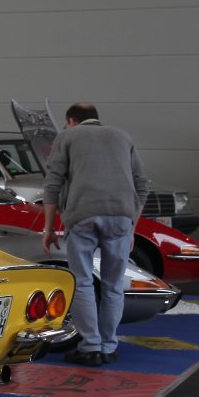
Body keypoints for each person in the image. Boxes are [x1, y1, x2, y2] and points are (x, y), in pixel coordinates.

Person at [42, 102, 149, 367]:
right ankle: (108, 346)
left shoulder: (67, 137)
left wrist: (48, 229)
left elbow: (52, 185)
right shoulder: (123, 137)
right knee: (114, 285)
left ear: (71, 120)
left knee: (82, 281)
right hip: (121, 217)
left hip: (83, 215)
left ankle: (90, 347)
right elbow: (142, 187)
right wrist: (131, 228)